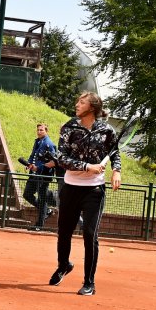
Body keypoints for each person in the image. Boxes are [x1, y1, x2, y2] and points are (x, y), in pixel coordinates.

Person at [50, 92, 122, 297]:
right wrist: (87, 166)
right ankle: (64, 265)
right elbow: (61, 158)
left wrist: (116, 170)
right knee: (64, 232)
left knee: (90, 234)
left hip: (94, 190)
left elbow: (114, 152)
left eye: (81, 102)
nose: (77, 104)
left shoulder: (107, 130)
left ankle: (89, 282)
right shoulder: (69, 127)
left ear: (92, 107)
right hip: (70, 186)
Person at [23, 123, 57, 231]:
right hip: (34, 174)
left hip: (43, 175)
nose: (39, 132)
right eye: (38, 130)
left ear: (46, 131)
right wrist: (29, 164)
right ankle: (47, 210)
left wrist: (38, 168)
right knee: (27, 194)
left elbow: (53, 161)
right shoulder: (37, 142)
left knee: (42, 199)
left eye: (41, 130)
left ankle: (39, 225)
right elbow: (33, 155)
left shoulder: (49, 144)